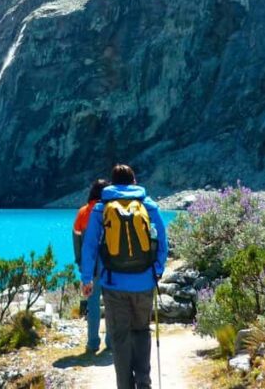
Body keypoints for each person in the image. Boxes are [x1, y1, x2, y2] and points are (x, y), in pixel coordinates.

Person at [80, 164, 168, 389]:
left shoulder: (102, 208)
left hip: (113, 284)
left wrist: (87, 278)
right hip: (144, 283)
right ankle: (144, 382)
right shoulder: (148, 205)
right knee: (141, 331)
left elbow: (89, 245)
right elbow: (163, 241)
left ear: (112, 183)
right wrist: (157, 269)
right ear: (134, 181)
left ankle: (125, 385)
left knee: (120, 337)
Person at [73, 178, 111, 353]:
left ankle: (92, 343)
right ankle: (111, 341)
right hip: (110, 264)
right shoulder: (111, 211)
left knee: (92, 304)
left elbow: (77, 240)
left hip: (91, 266)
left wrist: (82, 264)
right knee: (111, 302)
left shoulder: (83, 212)